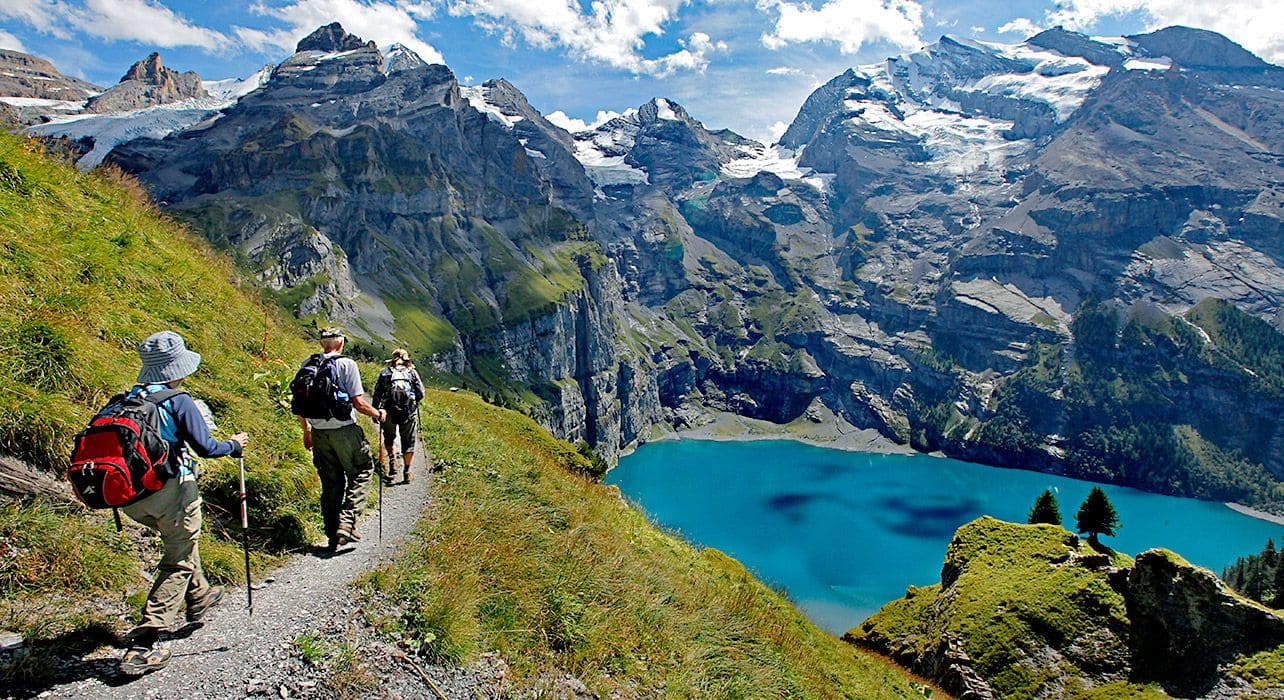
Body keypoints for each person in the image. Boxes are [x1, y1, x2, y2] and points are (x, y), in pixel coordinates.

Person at [118, 331, 249, 676]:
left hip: (130, 498)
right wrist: (234, 445)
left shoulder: (124, 400)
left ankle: (200, 595)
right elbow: (206, 447)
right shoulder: (178, 400)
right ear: (178, 367)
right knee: (177, 558)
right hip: (170, 490)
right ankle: (144, 642)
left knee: (182, 541)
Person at [294, 327, 384, 552]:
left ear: (322, 343)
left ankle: (333, 535)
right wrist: (379, 414)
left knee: (331, 483)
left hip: (318, 432)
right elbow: (359, 403)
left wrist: (307, 431)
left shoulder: (308, 363)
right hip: (344, 430)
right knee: (362, 470)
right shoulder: (347, 364)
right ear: (341, 343)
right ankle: (347, 520)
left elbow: (298, 402)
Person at [371, 348, 425, 484]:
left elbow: (377, 393)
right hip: (408, 412)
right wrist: (414, 402)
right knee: (408, 441)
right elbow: (421, 393)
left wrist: (375, 411)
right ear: (407, 360)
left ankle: (392, 462)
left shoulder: (385, 373)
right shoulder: (412, 373)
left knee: (390, 437)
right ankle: (407, 472)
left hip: (388, 411)